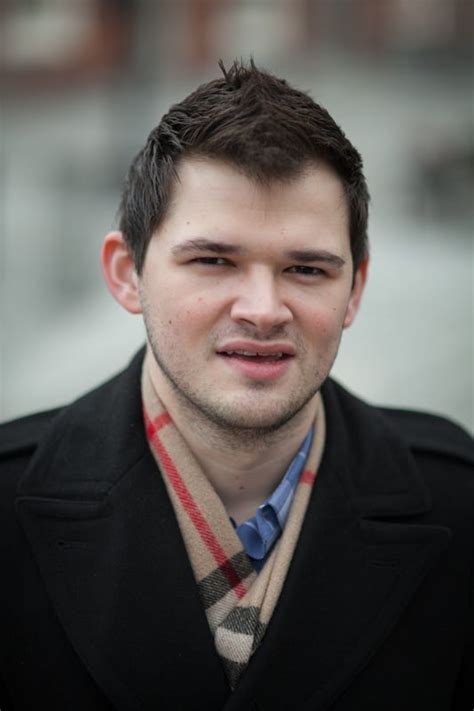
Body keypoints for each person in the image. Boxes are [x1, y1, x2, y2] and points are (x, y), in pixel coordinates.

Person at [0, 60, 472, 711]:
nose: (263, 309)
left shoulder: (459, 506)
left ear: (355, 288)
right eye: (214, 260)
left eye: (306, 269)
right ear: (127, 274)